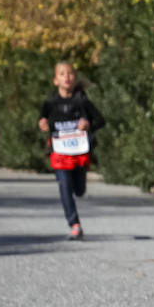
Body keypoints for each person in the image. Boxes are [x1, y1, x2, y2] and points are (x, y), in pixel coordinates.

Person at [39, 62, 106, 239]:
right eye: (62, 74)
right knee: (64, 186)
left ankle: (79, 189)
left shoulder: (82, 101)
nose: (66, 77)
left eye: (69, 73)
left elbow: (100, 120)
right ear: (55, 80)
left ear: (74, 78)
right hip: (59, 154)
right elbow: (42, 120)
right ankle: (74, 224)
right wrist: (43, 124)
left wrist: (88, 124)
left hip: (80, 154)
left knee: (79, 190)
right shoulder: (50, 103)